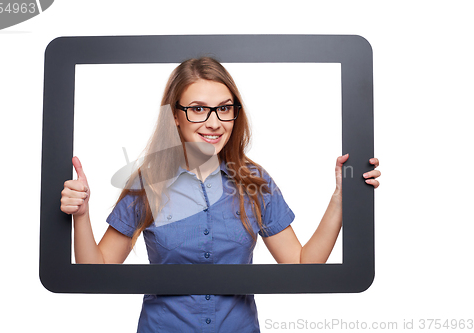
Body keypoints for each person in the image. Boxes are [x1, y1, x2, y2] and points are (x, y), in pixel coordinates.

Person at [60, 57, 381, 332]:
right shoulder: (148, 182)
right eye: (198, 109)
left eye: (224, 108)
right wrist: (82, 214)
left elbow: (303, 264)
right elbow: (97, 270)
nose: (214, 122)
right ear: (175, 115)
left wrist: (341, 198)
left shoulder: (256, 182)